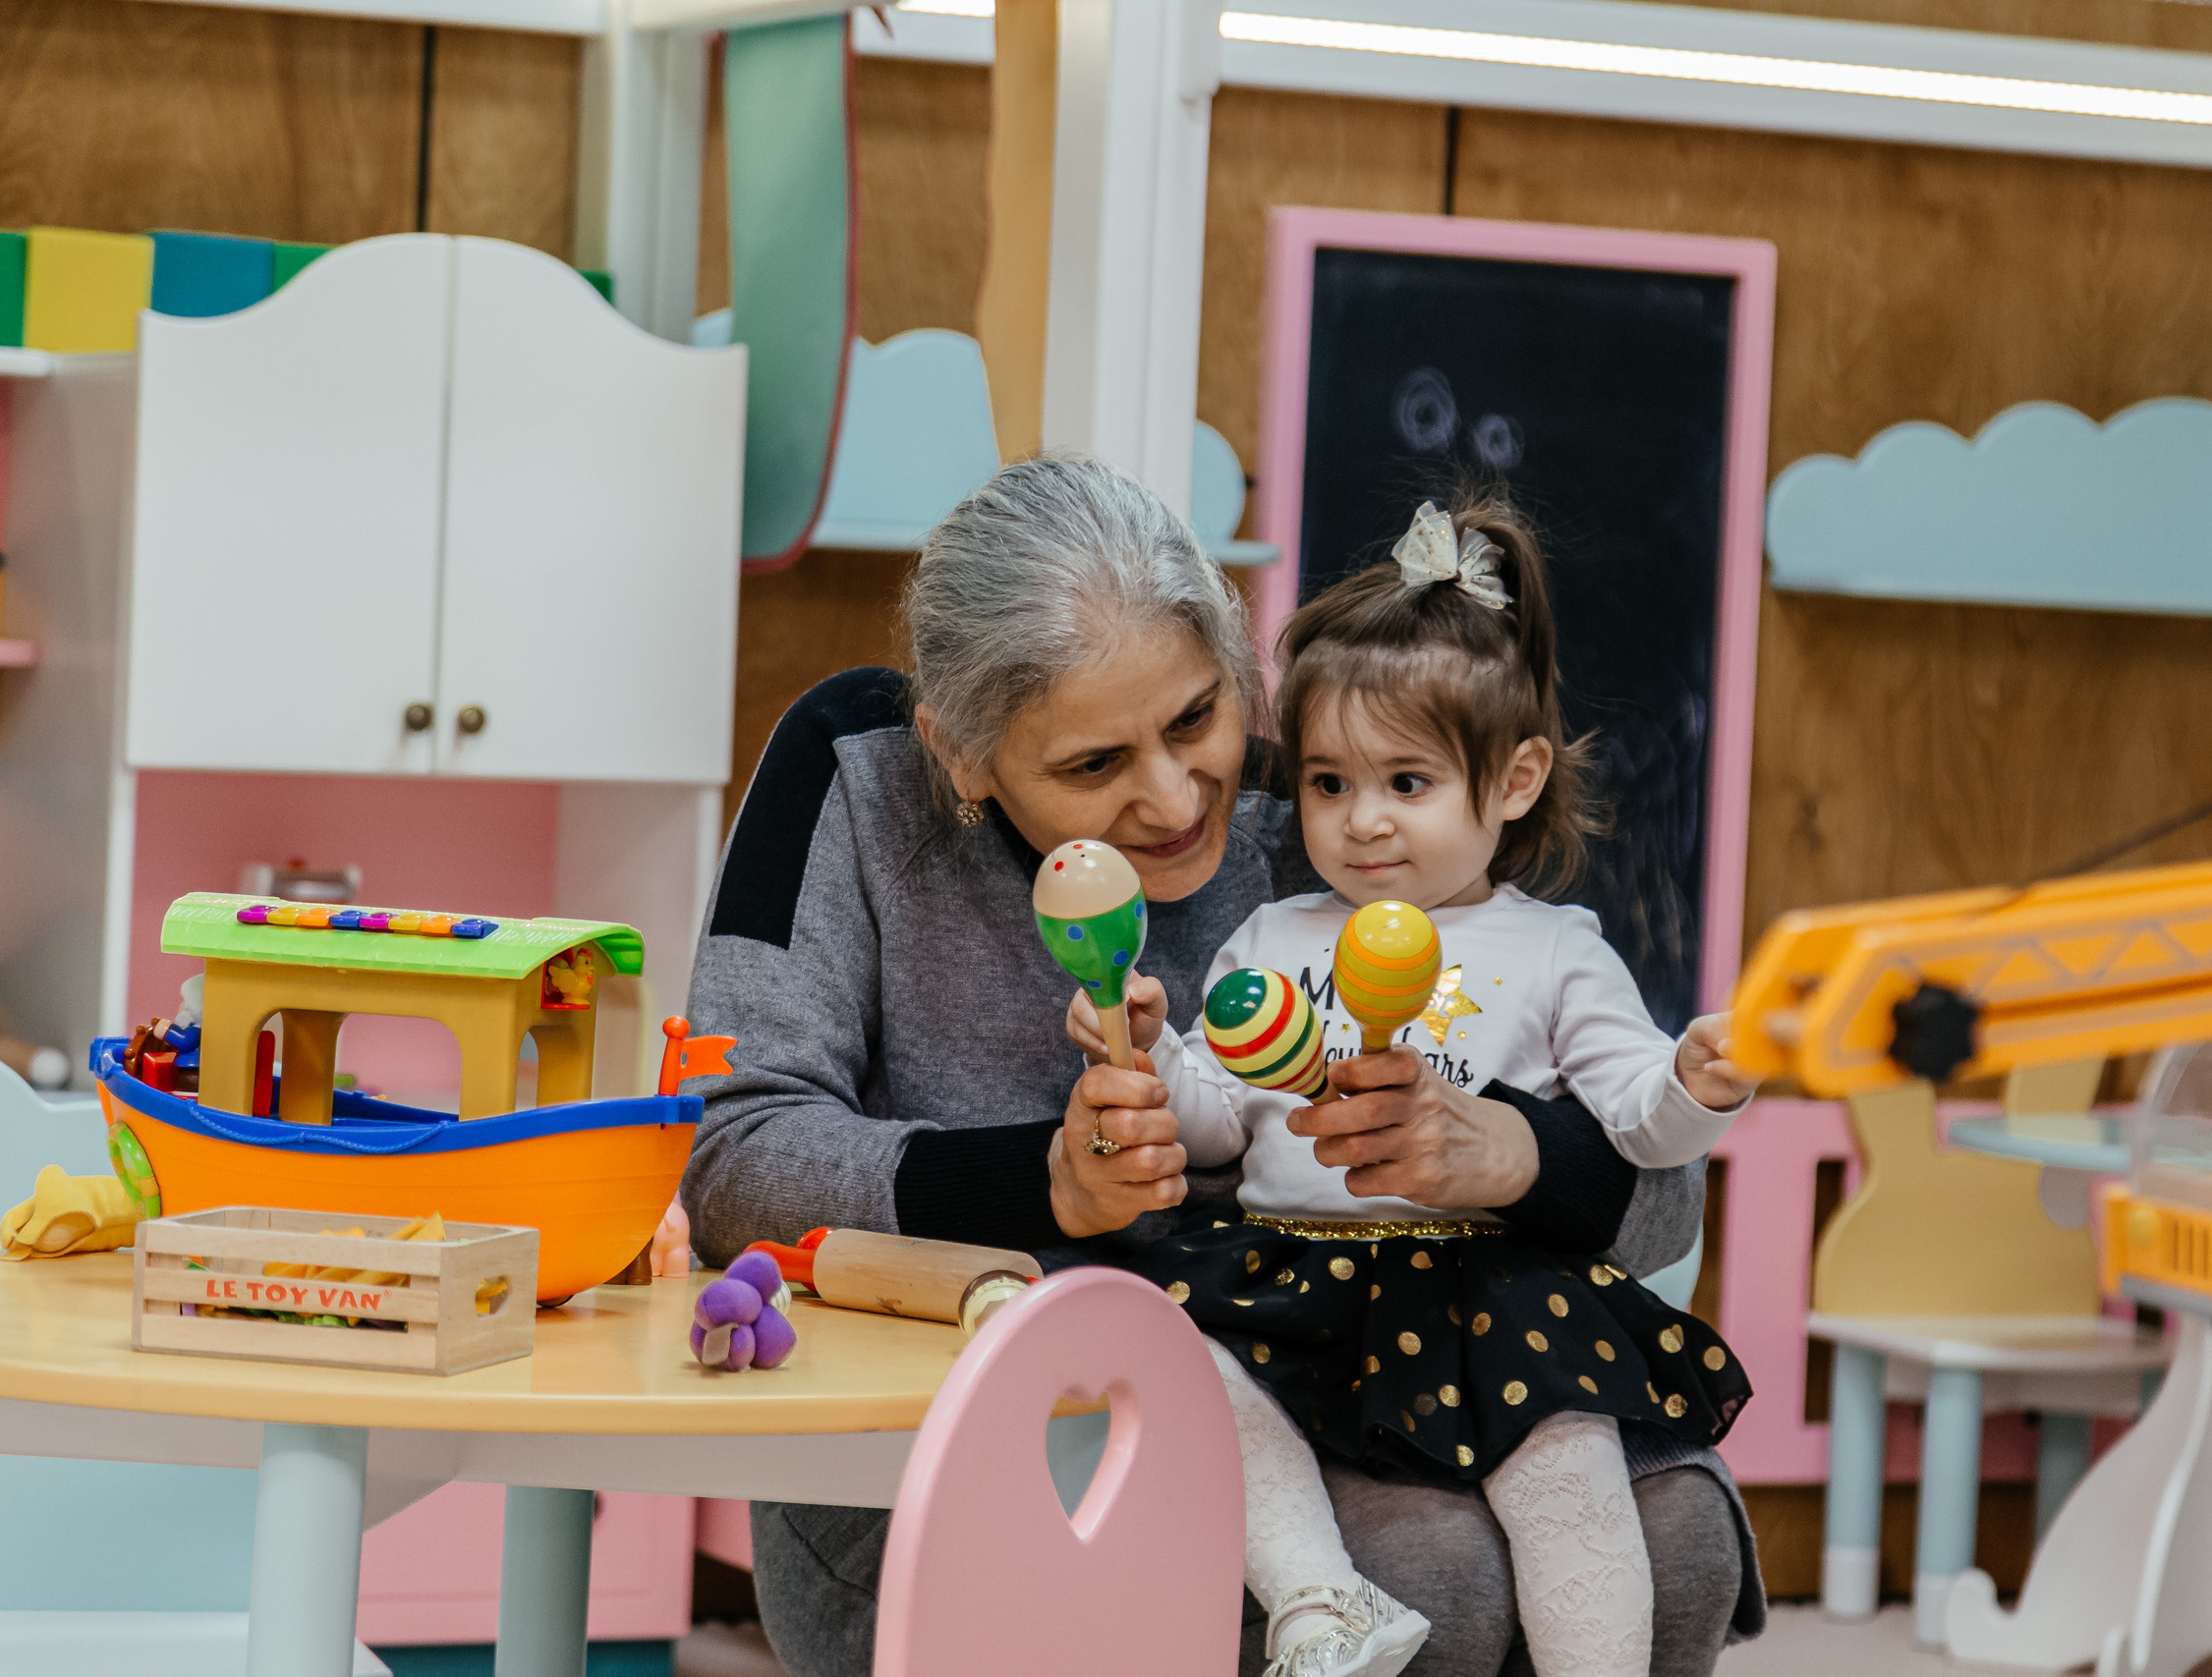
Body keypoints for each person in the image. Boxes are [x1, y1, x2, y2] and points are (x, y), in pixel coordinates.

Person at [678, 454, 1766, 1677]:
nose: (1174, 796)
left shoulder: (1326, 796)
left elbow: (1661, 1191)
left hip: (1350, 1372)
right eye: (1092, 767)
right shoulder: (851, 773)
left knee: (1680, 1539)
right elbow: (731, 1158)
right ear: (964, 756)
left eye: (1198, 717)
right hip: (969, 1426)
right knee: (1436, 1581)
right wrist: (1043, 1183)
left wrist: (1512, 1151)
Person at [1066, 498, 1755, 1677]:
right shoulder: (1273, 935)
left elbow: (1641, 1122)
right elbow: (1221, 1123)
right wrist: (1146, 1054)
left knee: (1570, 1470)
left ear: (1517, 778)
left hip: (1489, 1286)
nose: (1361, 821)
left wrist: (1697, 1080)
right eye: (1329, 783)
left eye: (1408, 781)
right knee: (1189, 1374)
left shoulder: (1553, 950)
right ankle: (1321, 1602)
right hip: (1292, 1269)